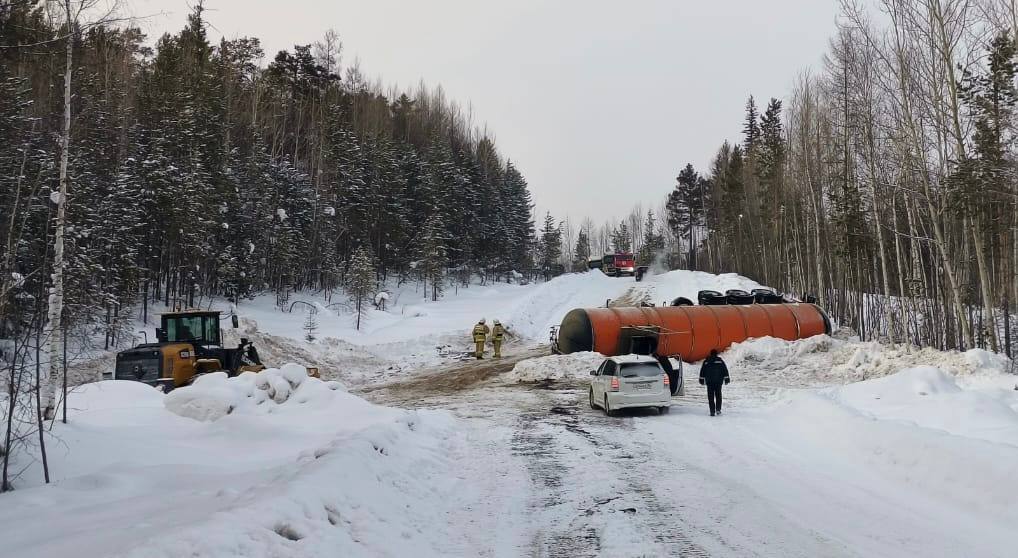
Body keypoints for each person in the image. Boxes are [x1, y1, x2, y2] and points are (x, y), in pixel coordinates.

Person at [698, 349, 730, 416]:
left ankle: (712, 411)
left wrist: (701, 379)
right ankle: (718, 409)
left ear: (710, 353)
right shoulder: (720, 361)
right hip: (718, 382)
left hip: (709, 382)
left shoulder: (706, 361)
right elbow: (725, 370)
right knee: (718, 395)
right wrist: (727, 379)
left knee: (710, 397)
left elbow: (702, 371)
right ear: (716, 354)